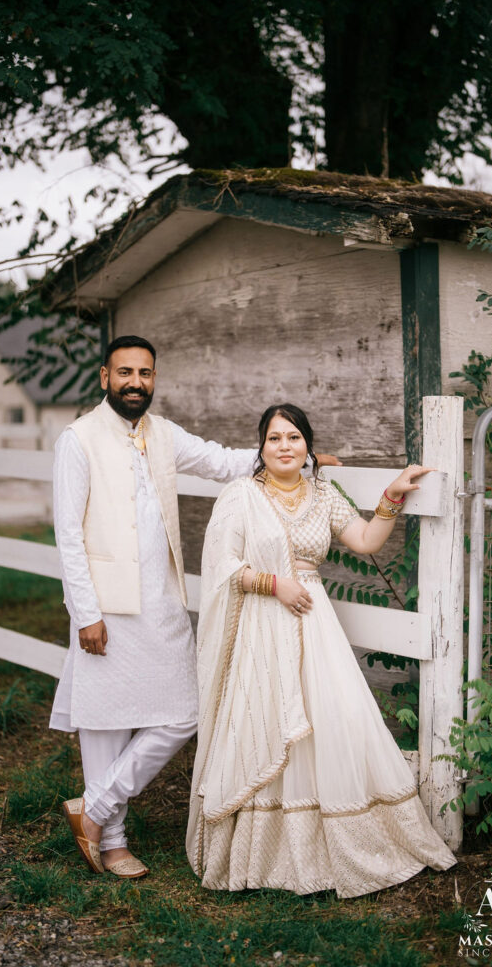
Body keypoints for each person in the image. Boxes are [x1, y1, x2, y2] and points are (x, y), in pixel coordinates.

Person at [52, 339, 339, 879]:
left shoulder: (163, 433)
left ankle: (93, 807)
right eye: (124, 372)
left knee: (185, 713)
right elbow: (67, 534)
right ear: (105, 376)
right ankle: (111, 841)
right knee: (106, 722)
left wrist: (303, 458)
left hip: (162, 599)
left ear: (154, 378)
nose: (135, 382)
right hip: (105, 605)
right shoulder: (78, 439)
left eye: (145, 373)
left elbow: (222, 460)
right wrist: (85, 613)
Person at [187, 403, 457, 898]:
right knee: (266, 720)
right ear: (261, 447)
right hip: (261, 624)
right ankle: (265, 852)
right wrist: (274, 584)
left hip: (314, 624)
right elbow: (221, 566)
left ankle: (344, 842)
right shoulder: (241, 495)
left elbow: (366, 540)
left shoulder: (323, 494)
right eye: (274, 438)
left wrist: (392, 495)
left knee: (337, 715)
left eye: (293, 437)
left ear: (307, 445)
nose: (284, 446)